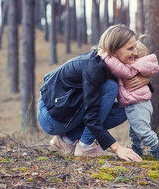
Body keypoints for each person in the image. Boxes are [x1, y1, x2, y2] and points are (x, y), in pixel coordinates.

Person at [37, 24, 148, 162]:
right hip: (51, 115)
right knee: (110, 87)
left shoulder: (111, 63)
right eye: (130, 48)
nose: (135, 52)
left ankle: (66, 140)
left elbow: (135, 88)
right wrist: (117, 147)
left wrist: (145, 80)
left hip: (67, 109)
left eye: (135, 46)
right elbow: (91, 116)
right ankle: (85, 147)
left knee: (126, 110)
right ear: (113, 51)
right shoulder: (94, 67)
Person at [101, 36, 159, 160]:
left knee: (141, 130)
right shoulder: (139, 66)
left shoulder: (132, 66)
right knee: (135, 129)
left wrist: (106, 55)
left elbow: (118, 68)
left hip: (137, 104)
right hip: (140, 102)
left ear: (137, 57)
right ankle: (137, 148)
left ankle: (157, 147)